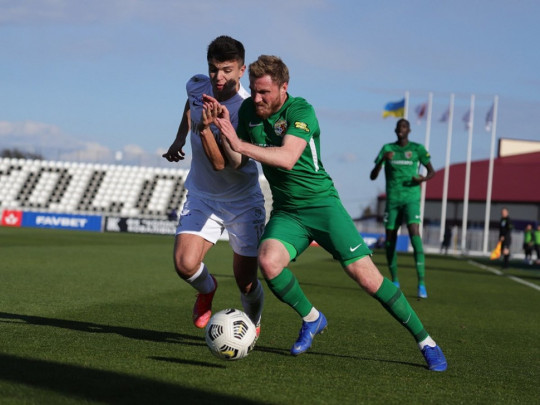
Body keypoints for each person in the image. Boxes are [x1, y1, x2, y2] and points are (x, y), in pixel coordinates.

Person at [212, 55, 447, 371]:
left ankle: (426, 341)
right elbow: (237, 162)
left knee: (367, 278)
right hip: (287, 211)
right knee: (267, 262)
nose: (256, 98)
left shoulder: (301, 110)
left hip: (323, 206)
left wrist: (239, 144)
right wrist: (223, 133)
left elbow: (287, 158)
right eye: (253, 91)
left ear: (283, 88)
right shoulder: (248, 113)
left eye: (264, 92)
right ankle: (312, 318)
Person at [162, 36, 266, 333]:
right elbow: (191, 104)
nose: (218, 77)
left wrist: (206, 129)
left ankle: (252, 324)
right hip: (203, 195)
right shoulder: (197, 85)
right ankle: (207, 290)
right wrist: (180, 138)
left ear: (242, 70)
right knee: (185, 264)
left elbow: (224, 164)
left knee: (246, 282)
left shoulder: (247, 110)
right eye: (213, 69)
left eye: (227, 70)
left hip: (242, 200)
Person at [370, 118, 435, 298]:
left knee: (414, 232)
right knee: (390, 238)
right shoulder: (387, 149)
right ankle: (395, 280)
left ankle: (421, 283)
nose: (401, 129)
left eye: (404, 127)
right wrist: (382, 160)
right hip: (392, 201)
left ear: (409, 130)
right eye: (399, 127)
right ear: (395, 130)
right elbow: (373, 176)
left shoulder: (417, 149)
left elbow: (432, 172)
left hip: (411, 199)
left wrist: (422, 179)